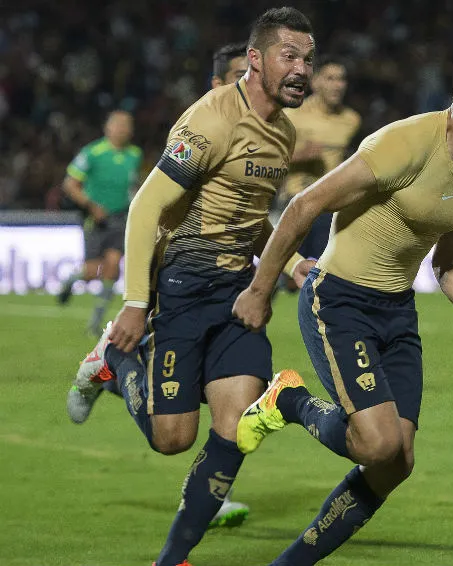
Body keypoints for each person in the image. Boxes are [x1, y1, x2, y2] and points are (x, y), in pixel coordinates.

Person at [230, 47, 453, 566]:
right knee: (376, 445)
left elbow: (451, 263)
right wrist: (259, 289)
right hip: (338, 300)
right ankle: (289, 401)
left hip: (397, 313)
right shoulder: (405, 143)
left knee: (396, 463)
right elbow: (305, 205)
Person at [66, 8, 316, 565]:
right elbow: (146, 205)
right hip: (183, 289)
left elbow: (250, 218)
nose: (302, 70)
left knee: (235, 428)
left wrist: (292, 262)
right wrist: (136, 303)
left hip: (238, 297)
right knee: (171, 438)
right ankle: (114, 362)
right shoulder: (210, 119)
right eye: (289, 57)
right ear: (255, 59)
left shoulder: (283, 132)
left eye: (307, 59)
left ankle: (172, 558)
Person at [57, 110, 142, 336]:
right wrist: (91, 206)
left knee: (113, 266)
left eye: (127, 125)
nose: (123, 129)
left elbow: (133, 186)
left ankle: (95, 324)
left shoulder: (135, 154)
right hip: (96, 219)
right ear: (108, 127)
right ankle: (72, 279)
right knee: (93, 270)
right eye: (119, 124)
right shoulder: (92, 152)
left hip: (120, 218)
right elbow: (70, 184)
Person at [281, 56, 361, 263]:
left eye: (341, 79)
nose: (337, 85)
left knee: (320, 270)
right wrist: (299, 155)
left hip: (328, 204)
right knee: (288, 274)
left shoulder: (351, 120)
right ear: (315, 82)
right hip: (294, 199)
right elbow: (269, 158)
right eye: (330, 78)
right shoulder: (292, 115)